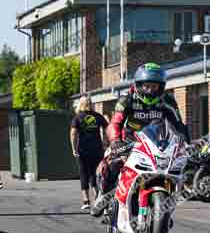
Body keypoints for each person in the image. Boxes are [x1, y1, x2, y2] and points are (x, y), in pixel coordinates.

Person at [91, 63, 189, 216]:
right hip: (130, 143)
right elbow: (115, 123)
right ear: (138, 85)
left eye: (154, 87)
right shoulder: (127, 99)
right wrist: (116, 141)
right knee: (112, 163)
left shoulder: (167, 100)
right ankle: (103, 195)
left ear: (161, 87)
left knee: (176, 168)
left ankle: (164, 204)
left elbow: (178, 125)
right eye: (146, 86)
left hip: (157, 143)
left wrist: (186, 144)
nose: (150, 90)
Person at [71, 96, 108, 210]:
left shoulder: (77, 118)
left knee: (83, 174)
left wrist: (74, 148)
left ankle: (86, 201)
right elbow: (108, 128)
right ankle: (97, 196)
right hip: (97, 149)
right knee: (95, 174)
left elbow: (73, 134)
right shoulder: (97, 116)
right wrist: (106, 143)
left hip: (83, 150)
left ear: (80, 104)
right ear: (91, 104)